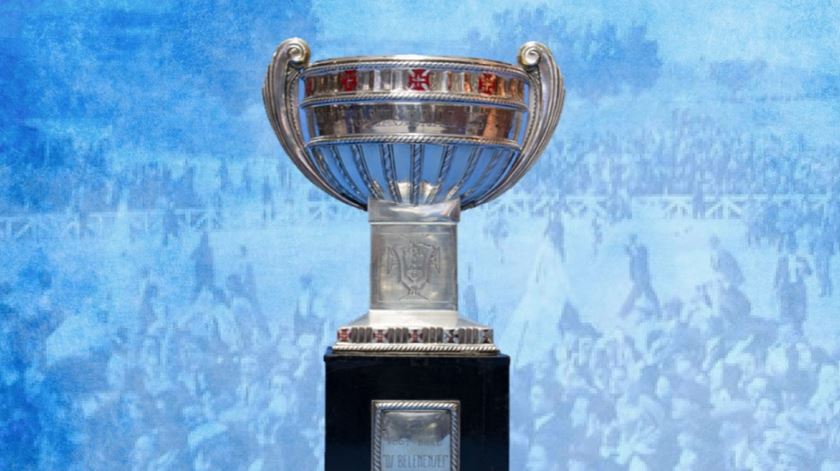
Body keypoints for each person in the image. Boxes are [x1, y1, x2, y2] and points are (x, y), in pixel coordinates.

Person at [774, 236, 812, 334]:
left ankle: (798, 328)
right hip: (786, 288)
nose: (791, 249)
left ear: (796, 248)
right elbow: (777, 275)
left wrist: (804, 268)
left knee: (799, 309)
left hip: (798, 288)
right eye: (789, 247)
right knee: (786, 309)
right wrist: (775, 287)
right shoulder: (782, 260)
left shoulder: (801, 260)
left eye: (793, 247)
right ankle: (789, 330)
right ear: (786, 248)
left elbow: (809, 272)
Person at [619, 234, 661, 318]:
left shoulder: (641, 249)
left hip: (642, 278)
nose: (631, 243)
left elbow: (640, 258)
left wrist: (632, 252)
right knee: (648, 295)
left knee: (634, 296)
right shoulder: (636, 252)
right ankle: (658, 313)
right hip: (641, 278)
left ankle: (623, 314)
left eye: (632, 241)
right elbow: (633, 260)